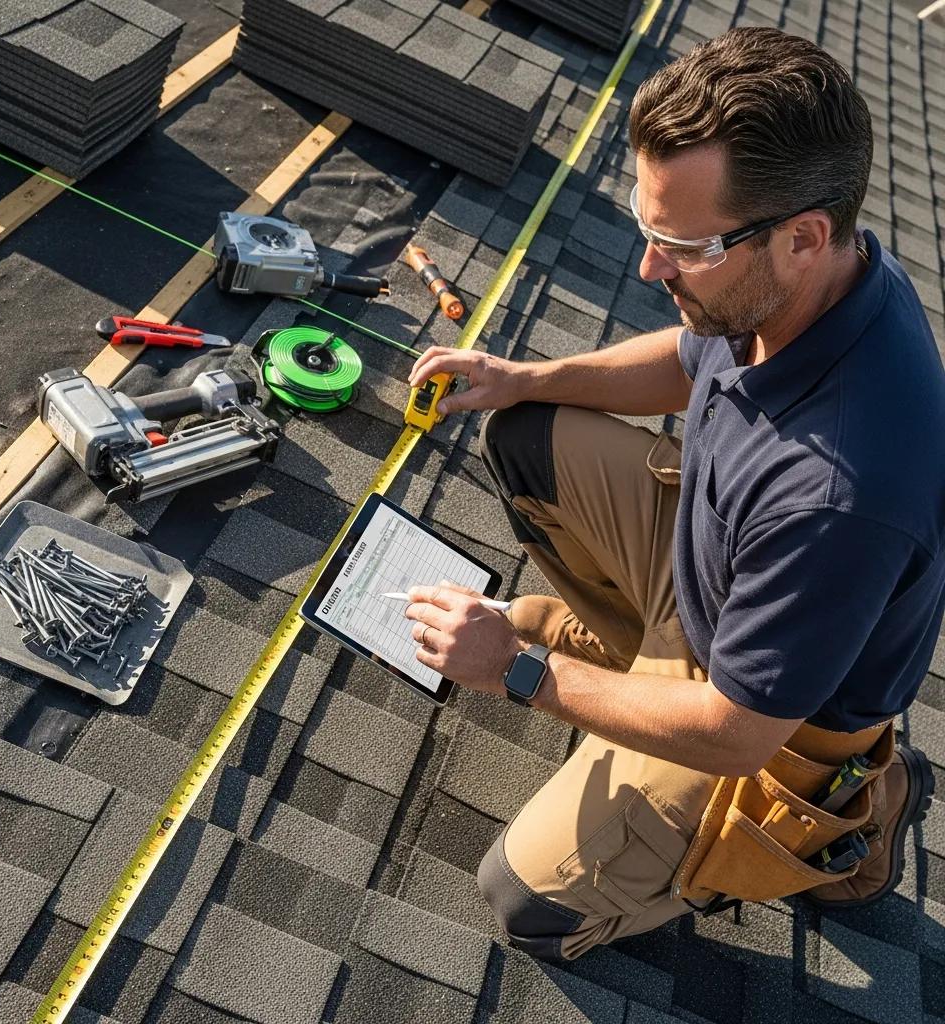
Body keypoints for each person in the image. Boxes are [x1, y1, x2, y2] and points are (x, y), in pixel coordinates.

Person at [403, 26, 943, 960]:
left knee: (524, 903)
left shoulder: (840, 494)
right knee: (526, 435)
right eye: (647, 234)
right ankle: (639, 657)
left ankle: (854, 818)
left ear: (804, 238)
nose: (651, 270)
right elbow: (688, 362)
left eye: (680, 247)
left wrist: (521, 673)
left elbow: (735, 734)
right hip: (720, 587)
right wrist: (522, 376)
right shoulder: (806, 275)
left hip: (767, 726)